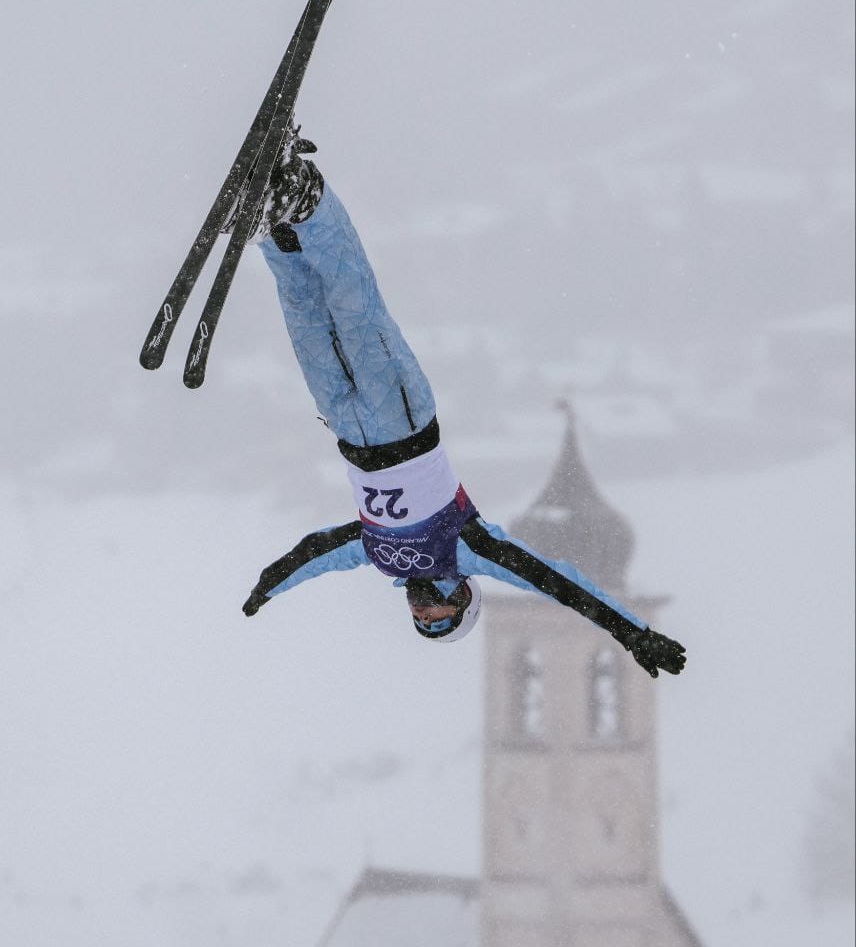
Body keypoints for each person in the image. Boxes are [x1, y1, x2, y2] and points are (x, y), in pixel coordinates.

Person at [233, 128, 685, 676]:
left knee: (304, 314)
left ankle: (273, 225)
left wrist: (269, 584)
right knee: (353, 305)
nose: (424, 611)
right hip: (403, 417)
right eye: (439, 617)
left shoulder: (381, 557)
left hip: (347, 427)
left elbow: (317, 553)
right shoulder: (468, 549)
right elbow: (558, 582)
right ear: (464, 599)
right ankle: (310, 198)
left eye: (421, 620)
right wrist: (631, 632)